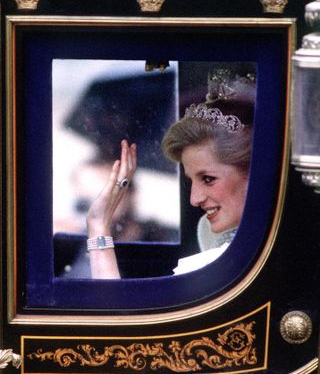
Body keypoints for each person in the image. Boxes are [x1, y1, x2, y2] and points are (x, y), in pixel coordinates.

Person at [86, 70, 255, 278]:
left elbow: (111, 309)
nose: (195, 199)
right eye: (191, 181)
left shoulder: (214, 267)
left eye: (208, 179)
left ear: (254, 175)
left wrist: (98, 226)